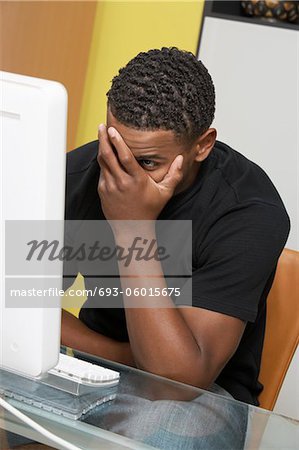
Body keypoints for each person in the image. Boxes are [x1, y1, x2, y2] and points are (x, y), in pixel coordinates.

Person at [62, 47, 290, 410]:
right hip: (92, 371)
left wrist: (132, 228)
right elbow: (19, 311)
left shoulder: (249, 211)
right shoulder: (77, 174)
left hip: (205, 397)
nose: (123, 174)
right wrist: (120, 355)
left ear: (203, 145)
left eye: (148, 162)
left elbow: (175, 384)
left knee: (158, 430)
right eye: (114, 148)